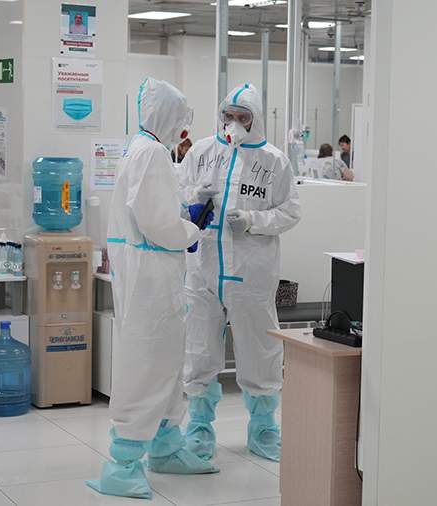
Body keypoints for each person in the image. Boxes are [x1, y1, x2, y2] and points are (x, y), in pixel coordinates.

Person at [86, 77, 218, 500]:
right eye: (180, 118)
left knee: (165, 361)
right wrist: (190, 228)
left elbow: (152, 208)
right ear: (167, 115)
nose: (183, 128)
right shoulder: (153, 152)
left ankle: (165, 446)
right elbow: (157, 223)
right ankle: (122, 465)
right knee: (148, 364)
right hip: (152, 275)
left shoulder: (141, 147)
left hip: (149, 269)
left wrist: (182, 214)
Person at [178, 83, 301, 463]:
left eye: (242, 117)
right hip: (203, 270)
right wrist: (194, 200)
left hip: (251, 273)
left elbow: (291, 211)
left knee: (259, 350)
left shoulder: (274, 161)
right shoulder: (201, 152)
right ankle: (199, 429)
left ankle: (263, 428)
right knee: (199, 348)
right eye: (228, 116)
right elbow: (177, 199)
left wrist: (252, 220)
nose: (233, 123)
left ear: (255, 119)